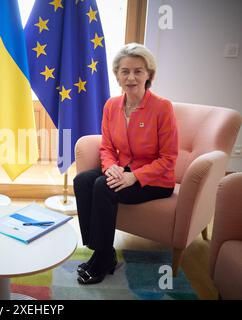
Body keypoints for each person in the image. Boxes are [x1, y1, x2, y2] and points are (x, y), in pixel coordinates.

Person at [73, 43, 178, 285]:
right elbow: (107, 147)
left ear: (149, 75)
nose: (131, 77)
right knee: (83, 180)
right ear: (117, 75)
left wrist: (134, 176)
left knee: (103, 186)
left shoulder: (162, 108)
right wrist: (110, 166)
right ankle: (100, 250)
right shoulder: (111, 105)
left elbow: (169, 158)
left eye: (138, 71)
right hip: (123, 169)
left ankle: (102, 257)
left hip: (155, 179)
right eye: (125, 71)